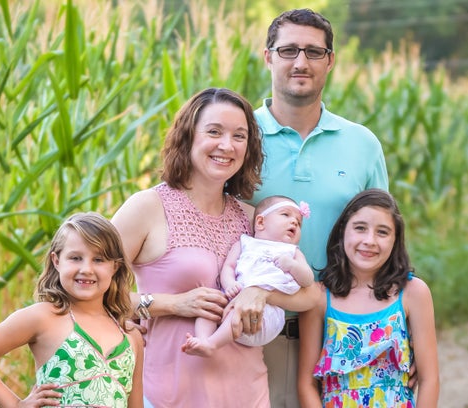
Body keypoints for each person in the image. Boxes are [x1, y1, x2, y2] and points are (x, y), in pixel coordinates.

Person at [111, 87, 320, 408]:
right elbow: (90, 294)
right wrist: (173, 304)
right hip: (166, 394)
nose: (227, 145)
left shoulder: (254, 219)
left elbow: (311, 295)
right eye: (214, 132)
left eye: (239, 136)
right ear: (188, 136)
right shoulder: (147, 207)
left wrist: (262, 294)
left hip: (248, 394)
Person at [248, 8, 390, 408]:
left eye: (313, 52)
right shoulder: (238, 137)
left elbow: (383, 240)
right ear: (268, 57)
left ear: (330, 61)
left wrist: (403, 328)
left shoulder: (363, 144)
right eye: (288, 49)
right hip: (251, 333)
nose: (300, 62)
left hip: (340, 337)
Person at [0, 212, 144, 408]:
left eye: (98, 260)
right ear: (56, 261)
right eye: (76, 258)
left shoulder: (130, 335)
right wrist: (16, 404)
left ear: (115, 267)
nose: (87, 269)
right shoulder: (45, 317)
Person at [297, 189, 439, 407]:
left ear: (395, 239)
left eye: (382, 232)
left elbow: (429, 380)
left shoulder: (413, 292)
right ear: (343, 230)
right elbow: (306, 384)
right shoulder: (318, 298)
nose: (369, 240)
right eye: (360, 228)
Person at [182, 195, 314, 357]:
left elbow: (307, 280)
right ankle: (202, 339)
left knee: (236, 311)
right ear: (260, 222)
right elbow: (229, 267)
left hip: (267, 313)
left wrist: (293, 266)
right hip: (236, 298)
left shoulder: (292, 252)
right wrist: (229, 283)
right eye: (285, 215)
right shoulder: (244, 244)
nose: (294, 222)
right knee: (210, 307)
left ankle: (212, 344)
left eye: (298, 222)